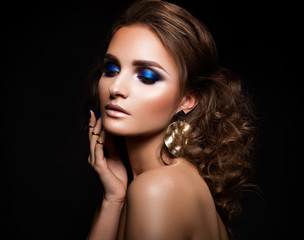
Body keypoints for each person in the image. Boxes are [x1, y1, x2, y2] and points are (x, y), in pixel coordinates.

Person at [85, 0, 257, 239]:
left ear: (187, 99)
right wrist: (112, 199)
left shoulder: (157, 189)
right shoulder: (170, 179)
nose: (115, 87)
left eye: (146, 76)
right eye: (112, 69)